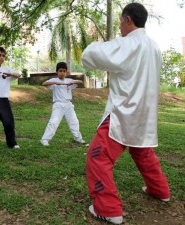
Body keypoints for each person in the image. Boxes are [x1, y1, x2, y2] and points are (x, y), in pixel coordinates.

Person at [81, 3, 170, 224]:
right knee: (143, 152)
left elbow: (90, 55)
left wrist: (96, 43)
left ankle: (108, 209)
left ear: (128, 19)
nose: (120, 27)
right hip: (145, 113)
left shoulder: (128, 44)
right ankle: (160, 190)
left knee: (97, 157)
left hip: (124, 111)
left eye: (121, 22)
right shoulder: (154, 47)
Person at [40, 62, 87, 146]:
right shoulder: (54, 80)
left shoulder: (69, 81)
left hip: (68, 105)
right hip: (58, 104)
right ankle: (45, 140)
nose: (62, 73)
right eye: (60, 71)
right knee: (53, 122)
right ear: (57, 72)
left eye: (64, 71)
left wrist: (72, 82)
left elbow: (80, 81)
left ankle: (78, 138)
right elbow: (44, 83)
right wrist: (56, 83)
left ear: (66, 72)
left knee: (74, 122)